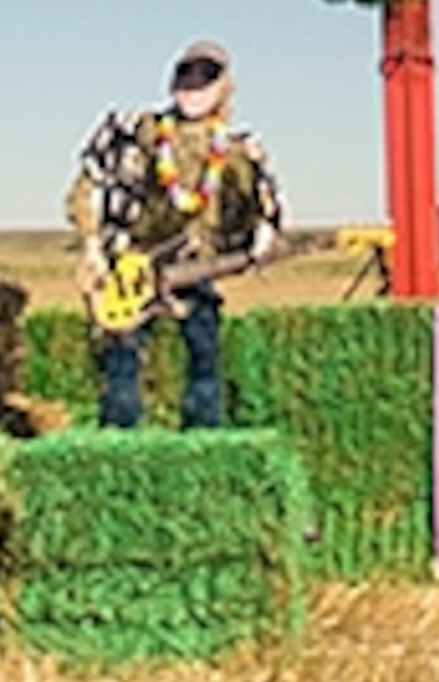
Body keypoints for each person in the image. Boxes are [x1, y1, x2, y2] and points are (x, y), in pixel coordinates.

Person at [66, 39, 283, 429]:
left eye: (206, 78)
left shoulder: (240, 152)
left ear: (223, 89)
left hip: (193, 268)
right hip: (131, 268)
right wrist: (92, 246)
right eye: (186, 76)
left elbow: (264, 207)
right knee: (122, 366)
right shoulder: (135, 131)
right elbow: (88, 186)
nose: (194, 87)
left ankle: (200, 447)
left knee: (204, 357)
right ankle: (119, 449)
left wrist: (264, 231)